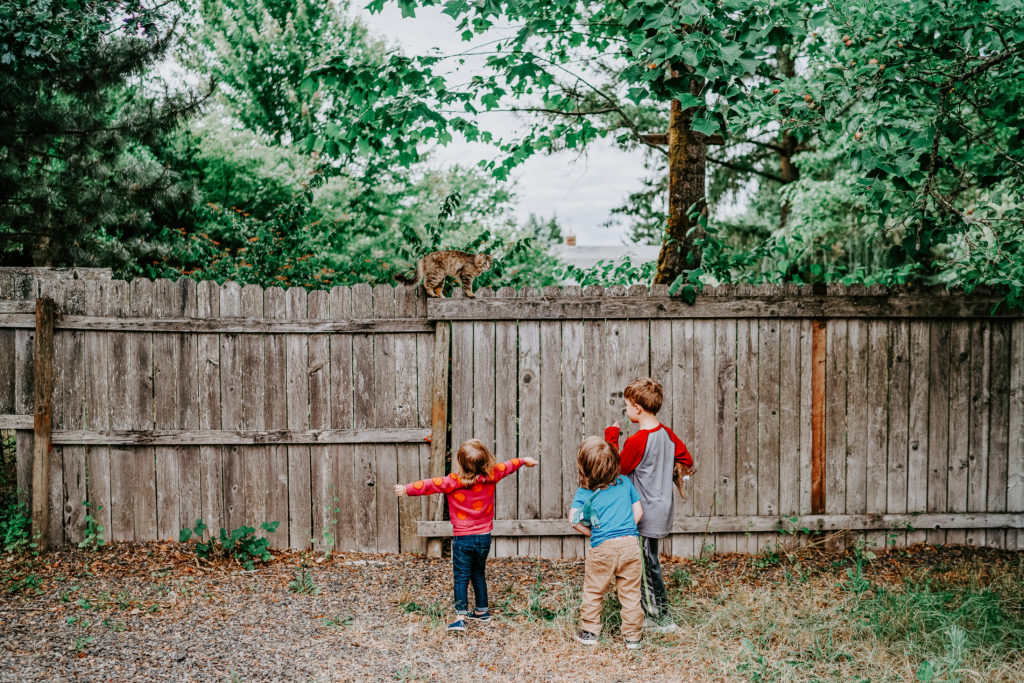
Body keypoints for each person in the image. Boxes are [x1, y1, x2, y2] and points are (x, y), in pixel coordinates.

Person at [395, 439, 536, 632]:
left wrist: (406, 489)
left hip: (463, 539)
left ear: (460, 463)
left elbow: (430, 485)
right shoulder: (492, 475)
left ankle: (460, 618)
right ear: (486, 460)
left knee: (461, 576)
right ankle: (482, 611)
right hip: (484, 537)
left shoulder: (454, 481)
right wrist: (524, 460)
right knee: (478, 573)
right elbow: (508, 466)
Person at [605, 377, 694, 632]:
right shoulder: (667, 434)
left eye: (627, 405)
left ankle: (659, 618)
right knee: (648, 560)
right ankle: (649, 611)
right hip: (662, 507)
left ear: (637, 408)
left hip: (643, 512)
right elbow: (686, 460)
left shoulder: (637, 441)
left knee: (645, 565)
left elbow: (615, 471)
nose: (627, 410)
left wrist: (612, 439)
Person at [569, 436, 645, 650]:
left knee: (594, 590)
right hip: (630, 545)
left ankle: (589, 632)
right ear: (615, 463)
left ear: (584, 467)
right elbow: (639, 512)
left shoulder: (585, 492)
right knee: (631, 592)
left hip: (602, 547)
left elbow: (573, 520)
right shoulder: (625, 482)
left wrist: (593, 533)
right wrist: (626, 528)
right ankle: (633, 637)